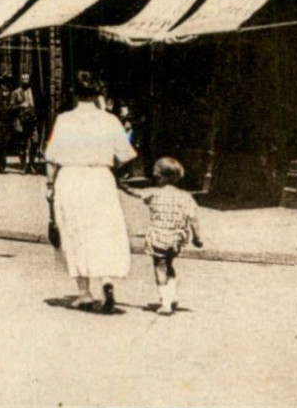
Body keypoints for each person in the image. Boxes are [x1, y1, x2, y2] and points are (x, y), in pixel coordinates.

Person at [45, 72, 137, 313]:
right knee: (103, 230)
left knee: (74, 231)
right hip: (100, 179)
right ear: (98, 94)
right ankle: (106, 281)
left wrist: (49, 186)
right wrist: (108, 167)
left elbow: (52, 158)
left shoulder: (65, 120)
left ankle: (84, 292)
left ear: (74, 94)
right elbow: (126, 155)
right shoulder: (110, 120)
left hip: (71, 178)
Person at [143, 157, 203, 316]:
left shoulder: (154, 194)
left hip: (158, 236)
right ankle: (172, 294)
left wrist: (123, 186)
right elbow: (193, 218)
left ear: (158, 176)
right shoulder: (186, 196)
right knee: (169, 264)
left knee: (159, 267)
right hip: (176, 237)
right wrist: (197, 237)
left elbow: (140, 196)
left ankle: (166, 302)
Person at [11, 74, 39, 172]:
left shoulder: (34, 92)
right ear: (21, 80)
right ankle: (23, 165)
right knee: (22, 144)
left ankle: (32, 163)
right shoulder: (16, 92)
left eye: (27, 79)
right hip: (22, 122)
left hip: (33, 121)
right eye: (23, 79)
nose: (25, 81)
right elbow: (11, 107)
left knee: (35, 142)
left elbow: (40, 104)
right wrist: (20, 105)